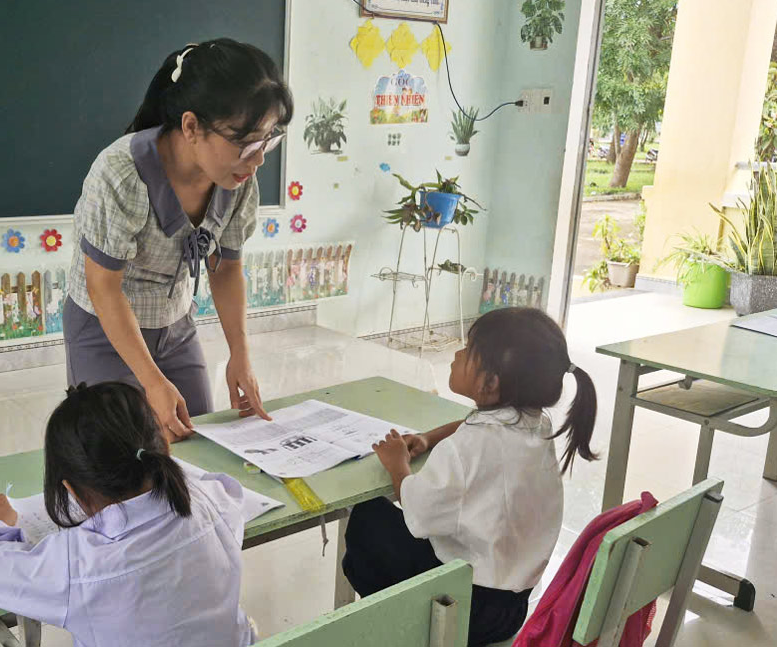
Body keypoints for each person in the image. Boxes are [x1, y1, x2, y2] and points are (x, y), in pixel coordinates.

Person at [64, 39, 293, 442]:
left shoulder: (237, 178)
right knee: (121, 453)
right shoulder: (120, 173)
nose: (257, 159)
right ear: (191, 126)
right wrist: (152, 381)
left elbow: (226, 268)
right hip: (105, 326)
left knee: (196, 441)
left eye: (268, 141)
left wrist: (240, 354)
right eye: (245, 143)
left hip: (174, 324)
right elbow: (104, 287)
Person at [342, 307, 599, 646]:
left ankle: (401, 627)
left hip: (465, 607)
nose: (457, 353)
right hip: (512, 605)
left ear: (489, 383)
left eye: (468, 350)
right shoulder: (537, 424)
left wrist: (398, 465)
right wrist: (430, 437)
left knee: (367, 518)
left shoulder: (466, 450)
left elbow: (418, 514)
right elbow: (473, 424)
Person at [0, 382, 254, 647]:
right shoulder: (214, 502)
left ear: (71, 490)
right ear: (164, 448)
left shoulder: (77, 564)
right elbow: (226, 492)